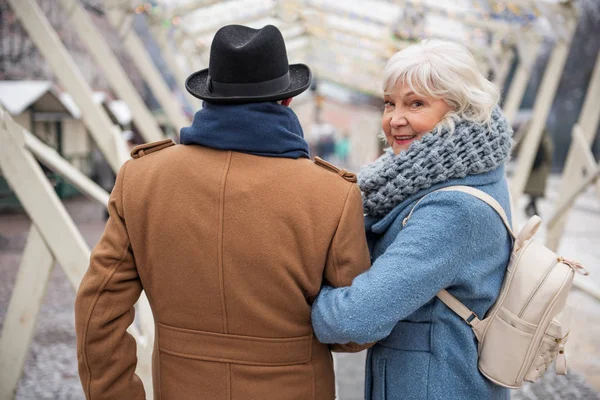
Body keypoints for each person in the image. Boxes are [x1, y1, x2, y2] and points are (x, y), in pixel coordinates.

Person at [74, 25, 371, 400]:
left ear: (208, 96)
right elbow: (355, 333)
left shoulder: (141, 178)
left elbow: (97, 309)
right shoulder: (333, 194)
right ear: (286, 100)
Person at [311, 39, 514, 399]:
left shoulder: (452, 211)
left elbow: (355, 318)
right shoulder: (457, 175)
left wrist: (281, 301)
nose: (395, 119)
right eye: (390, 103)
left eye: (416, 103)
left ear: (459, 111)